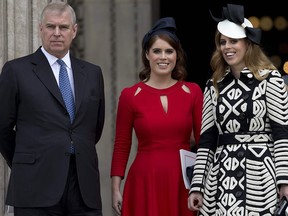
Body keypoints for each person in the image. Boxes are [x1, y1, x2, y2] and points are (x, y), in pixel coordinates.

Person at [0, 2, 105, 216]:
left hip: (83, 187)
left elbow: (94, 128)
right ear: (40, 29)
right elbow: (2, 129)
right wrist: (28, 161)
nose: (57, 33)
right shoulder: (16, 71)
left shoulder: (93, 73)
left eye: (63, 27)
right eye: (50, 26)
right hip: (34, 186)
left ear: (74, 31)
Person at [188, 3, 288, 215]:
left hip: (260, 180)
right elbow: (206, 140)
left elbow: (282, 134)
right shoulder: (213, 84)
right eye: (222, 42)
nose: (227, 47)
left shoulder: (271, 79)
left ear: (248, 44)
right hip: (221, 179)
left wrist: (285, 181)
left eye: (233, 41)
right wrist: (197, 186)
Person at [110, 17, 203, 216]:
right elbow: (122, 143)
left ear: (177, 55)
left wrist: (203, 184)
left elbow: (204, 142)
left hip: (182, 182)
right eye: (157, 51)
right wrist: (115, 188)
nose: (163, 57)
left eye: (169, 51)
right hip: (144, 181)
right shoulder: (130, 95)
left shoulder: (193, 92)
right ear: (147, 54)